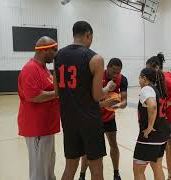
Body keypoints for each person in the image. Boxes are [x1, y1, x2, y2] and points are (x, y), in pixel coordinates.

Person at [54, 21, 116, 180]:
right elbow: (97, 96)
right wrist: (108, 88)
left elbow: (56, 91)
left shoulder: (58, 56)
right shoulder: (95, 58)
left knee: (70, 167)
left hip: (68, 119)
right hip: (90, 120)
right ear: (88, 35)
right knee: (96, 169)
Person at [17, 36, 59, 180]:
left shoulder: (44, 69)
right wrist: (57, 94)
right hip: (37, 128)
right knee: (39, 169)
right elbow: (34, 96)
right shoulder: (30, 69)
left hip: (46, 126)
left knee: (48, 165)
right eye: (54, 50)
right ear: (43, 51)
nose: (56, 53)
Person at [79, 58, 128, 180]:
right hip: (94, 118)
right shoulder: (96, 77)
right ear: (108, 67)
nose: (116, 75)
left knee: (113, 144)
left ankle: (116, 173)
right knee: (88, 149)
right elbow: (88, 102)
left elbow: (124, 100)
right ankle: (82, 175)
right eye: (113, 72)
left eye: (118, 72)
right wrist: (104, 104)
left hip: (109, 118)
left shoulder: (122, 80)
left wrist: (121, 104)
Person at [146, 53, 171, 180]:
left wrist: (170, 100)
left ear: (156, 68)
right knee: (168, 148)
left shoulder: (165, 78)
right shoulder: (155, 81)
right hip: (165, 117)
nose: (148, 72)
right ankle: (170, 176)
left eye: (149, 69)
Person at [133, 67, 170, 180]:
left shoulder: (147, 89)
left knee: (138, 170)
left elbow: (152, 106)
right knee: (157, 167)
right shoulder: (159, 89)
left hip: (150, 137)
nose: (139, 81)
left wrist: (149, 127)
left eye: (139, 78)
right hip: (162, 136)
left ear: (144, 78)